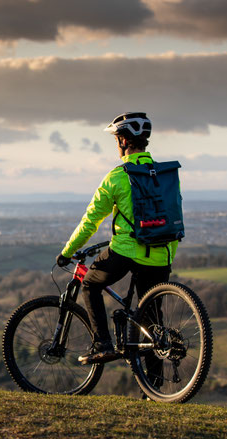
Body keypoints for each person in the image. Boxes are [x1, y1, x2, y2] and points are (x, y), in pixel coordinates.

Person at [56, 112, 178, 365]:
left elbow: (90, 221)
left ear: (123, 141)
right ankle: (153, 390)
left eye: (116, 140)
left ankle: (102, 344)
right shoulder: (165, 175)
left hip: (126, 251)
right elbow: (174, 216)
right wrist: (166, 256)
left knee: (90, 284)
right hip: (161, 254)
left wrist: (67, 251)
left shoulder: (117, 176)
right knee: (151, 324)